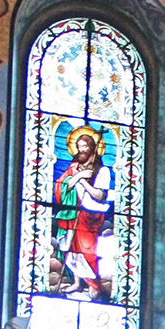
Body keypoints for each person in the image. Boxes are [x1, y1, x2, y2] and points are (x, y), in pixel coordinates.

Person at [52, 125, 113, 298]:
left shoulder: (102, 171)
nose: (81, 150)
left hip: (90, 214)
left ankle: (94, 285)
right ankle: (77, 283)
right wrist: (78, 176)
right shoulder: (74, 168)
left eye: (85, 147)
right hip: (74, 214)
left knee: (86, 250)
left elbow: (100, 195)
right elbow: (64, 187)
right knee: (71, 249)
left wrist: (85, 181)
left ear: (92, 149)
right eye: (79, 147)